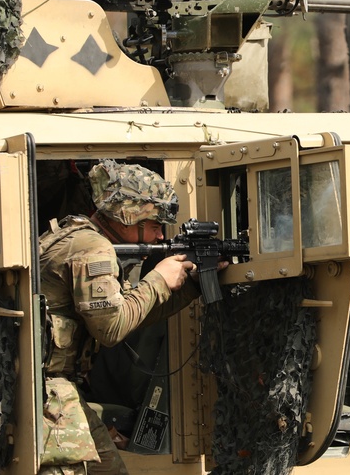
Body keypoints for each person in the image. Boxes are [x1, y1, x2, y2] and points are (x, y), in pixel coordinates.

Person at [38, 160, 204, 474]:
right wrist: (158, 279)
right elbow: (112, 329)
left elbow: (129, 313)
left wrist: (188, 286)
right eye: (155, 225)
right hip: (50, 397)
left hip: (58, 393)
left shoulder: (79, 235)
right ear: (128, 217)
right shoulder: (93, 248)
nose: (158, 237)